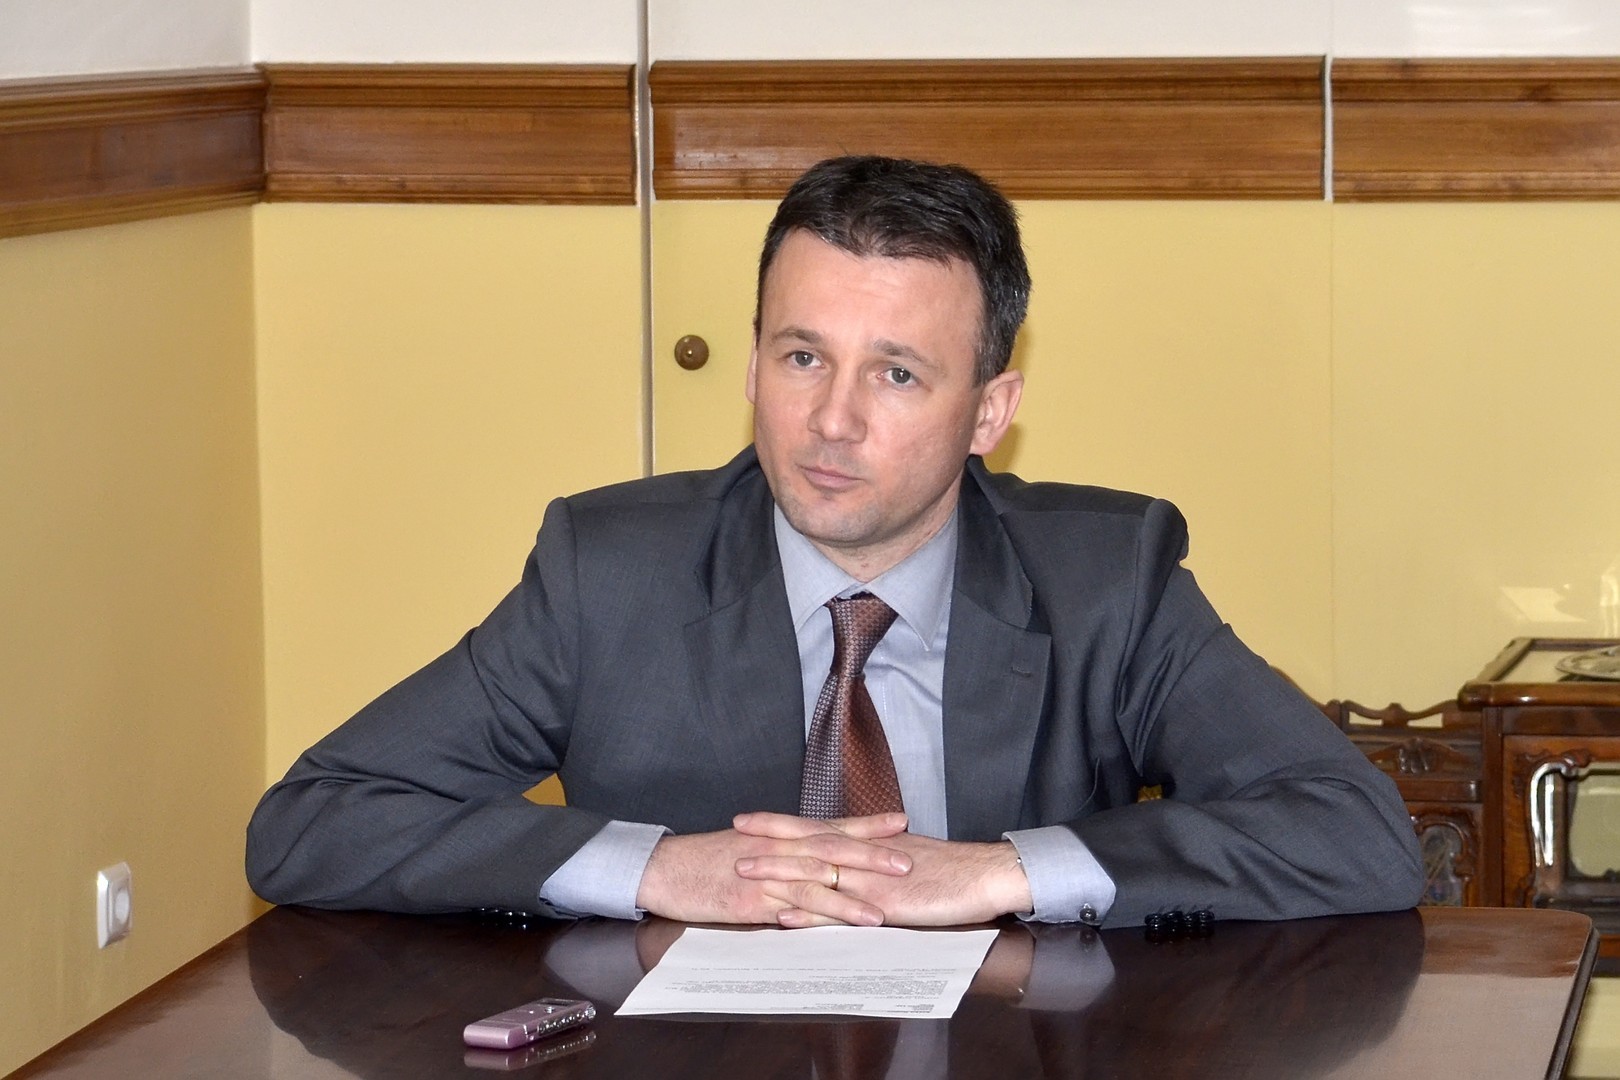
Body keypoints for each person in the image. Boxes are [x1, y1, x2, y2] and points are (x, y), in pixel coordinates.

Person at [246, 155, 1423, 930]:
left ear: (991, 413)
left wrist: (1006, 871)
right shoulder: (608, 573)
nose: (832, 420)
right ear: (753, 362)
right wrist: (653, 866)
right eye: (802, 356)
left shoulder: (1108, 579)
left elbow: (1356, 835)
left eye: (897, 374)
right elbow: (313, 821)